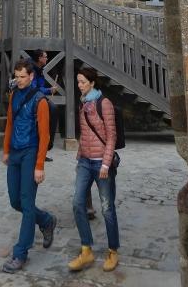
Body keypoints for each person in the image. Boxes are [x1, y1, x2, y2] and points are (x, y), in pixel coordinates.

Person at [1, 58, 57, 273]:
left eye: (23, 76)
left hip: (30, 153)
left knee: (26, 203)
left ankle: (20, 253)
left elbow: (44, 136)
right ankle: (46, 220)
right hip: (14, 153)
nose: (19, 80)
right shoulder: (14, 94)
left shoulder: (40, 101)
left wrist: (40, 165)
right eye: (16, 76)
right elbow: (10, 123)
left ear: (32, 76)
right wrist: (6, 150)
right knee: (15, 201)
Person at [68, 66, 120, 273]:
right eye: (78, 82)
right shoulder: (83, 104)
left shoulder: (103, 103)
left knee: (107, 208)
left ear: (92, 83)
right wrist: (80, 152)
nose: (79, 85)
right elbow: (86, 133)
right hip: (85, 162)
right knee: (77, 203)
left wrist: (106, 164)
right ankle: (86, 249)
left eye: (82, 82)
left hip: (101, 163)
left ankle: (113, 250)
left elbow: (111, 136)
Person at [29, 49, 58, 159]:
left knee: (52, 111)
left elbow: (38, 87)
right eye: (45, 57)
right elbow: (33, 88)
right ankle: (44, 147)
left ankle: (43, 148)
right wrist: (48, 90)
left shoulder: (39, 69)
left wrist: (49, 90)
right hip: (31, 98)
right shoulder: (31, 69)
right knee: (53, 109)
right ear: (39, 58)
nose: (47, 58)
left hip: (37, 95)